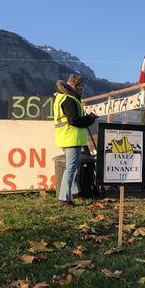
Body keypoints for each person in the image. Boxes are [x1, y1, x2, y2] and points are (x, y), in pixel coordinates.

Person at [53, 74, 97, 207]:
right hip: (71, 137)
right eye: (81, 88)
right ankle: (64, 198)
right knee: (71, 168)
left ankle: (75, 191)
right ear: (75, 85)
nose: (82, 90)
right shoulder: (69, 99)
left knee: (74, 165)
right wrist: (89, 119)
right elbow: (74, 120)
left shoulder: (62, 97)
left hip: (66, 136)